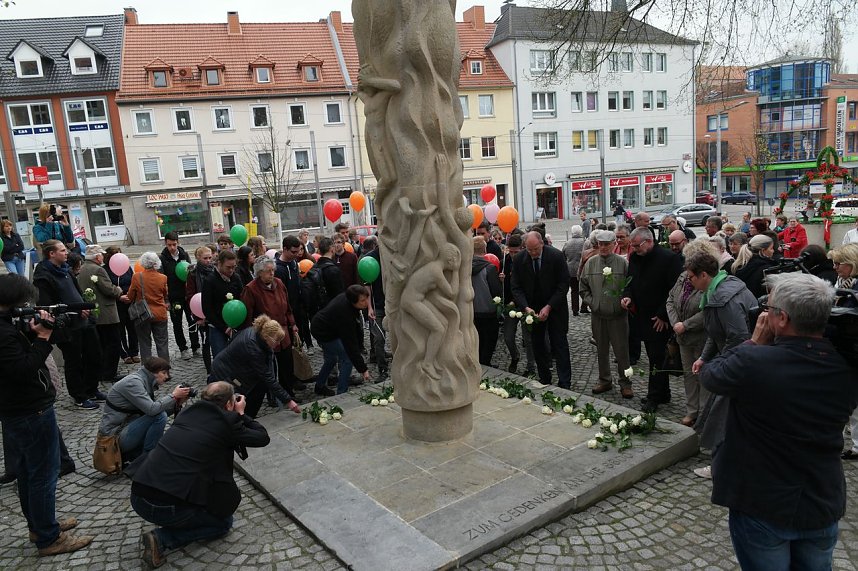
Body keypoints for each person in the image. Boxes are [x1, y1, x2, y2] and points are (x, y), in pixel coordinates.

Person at [699, 273, 858, 569]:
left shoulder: (754, 363)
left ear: (782, 318)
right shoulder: (846, 367)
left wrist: (754, 342)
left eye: (769, 309)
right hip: (821, 498)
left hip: (763, 502)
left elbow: (711, 375)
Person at [0, 274, 94, 556]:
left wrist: (30, 333)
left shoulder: (6, 326)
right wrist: (43, 338)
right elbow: (22, 369)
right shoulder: (3, 333)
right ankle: (48, 538)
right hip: (29, 410)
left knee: (28, 473)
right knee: (43, 473)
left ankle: (40, 525)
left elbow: (15, 360)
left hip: (20, 409)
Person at [130, 381, 271, 568]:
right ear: (230, 403)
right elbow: (262, 437)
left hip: (138, 495)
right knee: (223, 523)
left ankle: (177, 520)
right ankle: (162, 538)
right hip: (165, 506)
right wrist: (241, 414)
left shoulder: (187, 413)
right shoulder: (227, 423)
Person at [688, 251, 757, 480]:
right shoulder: (722, 287)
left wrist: (720, 366)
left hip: (739, 365)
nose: (690, 282)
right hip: (739, 360)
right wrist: (704, 358)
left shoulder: (722, 299)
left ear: (704, 275)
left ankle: (721, 466)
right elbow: (716, 332)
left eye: (691, 277)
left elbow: (738, 337)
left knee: (724, 416)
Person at [32, 240, 103, 409]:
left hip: (84, 321)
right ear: (52, 254)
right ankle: (79, 396)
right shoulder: (43, 276)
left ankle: (91, 389)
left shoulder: (65, 270)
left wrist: (84, 306)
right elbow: (48, 305)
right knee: (74, 362)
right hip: (67, 327)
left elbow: (76, 292)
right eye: (63, 250)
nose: (67, 253)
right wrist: (75, 310)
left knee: (94, 355)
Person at [621, 227, 683, 412]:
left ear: (649, 241)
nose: (634, 249)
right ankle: (663, 393)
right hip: (641, 315)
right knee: (654, 356)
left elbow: (674, 290)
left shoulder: (669, 258)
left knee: (656, 357)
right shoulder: (635, 257)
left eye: (636, 245)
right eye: (633, 246)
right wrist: (627, 296)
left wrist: (663, 315)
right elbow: (630, 281)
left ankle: (654, 397)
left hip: (659, 317)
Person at [511, 231, 572, 388]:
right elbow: (516, 287)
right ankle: (544, 378)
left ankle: (565, 382)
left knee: (559, 343)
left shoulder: (556, 256)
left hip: (555, 306)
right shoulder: (519, 259)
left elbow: (563, 284)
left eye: (536, 249)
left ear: (542, 244)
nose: (533, 253)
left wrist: (549, 306)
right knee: (537, 344)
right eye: (529, 250)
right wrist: (525, 307)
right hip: (533, 308)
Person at [99, 357, 190, 461]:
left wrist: (178, 402)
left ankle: (145, 456)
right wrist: (173, 396)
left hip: (127, 428)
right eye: (164, 373)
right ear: (153, 372)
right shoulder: (133, 383)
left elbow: (155, 410)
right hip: (113, 438)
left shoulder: (143, 381)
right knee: (159, 416)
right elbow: (152, 410)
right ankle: (149, 458)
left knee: (159, 415)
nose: (167, 376)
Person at [666, 240, 716, 427]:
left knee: (702, 374)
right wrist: (675, 323)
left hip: (701, 336)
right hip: (683, 336)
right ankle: (692, 410)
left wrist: (686, 325)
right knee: (689, 374)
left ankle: (705, 413)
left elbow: (708, 310)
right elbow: (670, 299)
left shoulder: (708, 279)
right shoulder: (683, 277)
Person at [209, 315, 301, 418]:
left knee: (259, 388)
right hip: (225, 373)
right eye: (277, 341)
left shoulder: (258, 334)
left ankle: (248, 417)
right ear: (267, 337)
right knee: (232, 405)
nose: (279, 344)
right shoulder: (253, 347)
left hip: (236, 368)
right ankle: (245, 419)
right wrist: (288, 401)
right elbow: (267, 376)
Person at [579, 230, 633, 398]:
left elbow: (630, 286)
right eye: (600, 244)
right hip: (598, 315)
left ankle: (626, 383)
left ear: (613, 244)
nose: (603, 247)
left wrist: (625, 301)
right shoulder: (591, 263)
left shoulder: (622, 263)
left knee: (622, 351)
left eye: (607, 244)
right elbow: (583, 287)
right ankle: (604, 380)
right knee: (601, 350)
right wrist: (593, 303)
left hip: (618, 316)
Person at [241, 256, 302, 400]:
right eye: (268, 271)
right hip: (265, 335)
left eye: (273, 270)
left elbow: (287, 307)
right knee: (270, 367)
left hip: (283, 332)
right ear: (259, 273)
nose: (272, 273)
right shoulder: (251, 289)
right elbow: (248, 315)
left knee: (287, 364)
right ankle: (272, 396)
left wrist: (293, 324)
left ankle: (288, 393)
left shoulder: (279, 283)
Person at [312, 285, 371, 396]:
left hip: (329, 328)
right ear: (353, 301)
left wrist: (360, 344)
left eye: (366, 299)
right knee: (346, 358)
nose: (366, 303)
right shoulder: (345, 314)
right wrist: (363, 369)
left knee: (331, 359)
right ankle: (342, 393)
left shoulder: (349, 300)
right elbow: (350, 344)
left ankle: (319, 386)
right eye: (362, 301)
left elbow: (356, 327)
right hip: (323, 331)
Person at [77, 245, 123, 384]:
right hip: (106, 313)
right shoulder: (98, 269)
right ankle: (109, 373)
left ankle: (102, 371)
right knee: (113, 343)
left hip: (93, 312)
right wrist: (118, 289)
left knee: (101, 345)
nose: (103, 257)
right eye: (101, 255)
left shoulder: (82, 268)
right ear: (97, 257)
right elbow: (108, 289)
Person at [500, 233, 535, 375]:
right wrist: (501, 280)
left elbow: (528, 286)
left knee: (528, 339)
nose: (513, 255)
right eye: (511, 252)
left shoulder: (527, 261)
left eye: (516, 252)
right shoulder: (505, 262)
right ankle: (515, 356)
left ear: (522, 249)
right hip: (510, 305)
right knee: (508, 337)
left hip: (525, 304)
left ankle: (531, 367)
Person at [159, 232, 197, 360]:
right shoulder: (162, 258)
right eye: (169, 245)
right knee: (177, 324)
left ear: (178, 242)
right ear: (165, 243)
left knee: (192, 320)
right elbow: (162, 281)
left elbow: (190, 274)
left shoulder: (184, 255)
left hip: (187, 295)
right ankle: (183, 348)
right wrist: (166, 300)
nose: (172, 247)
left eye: (174, 244)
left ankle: (195, 346)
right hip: (174, 297)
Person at [127, 252, 170, 362]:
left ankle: (146, 369)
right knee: (162, 343)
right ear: (156, 263)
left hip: (143, 314)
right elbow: (165, 294)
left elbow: (130, 296)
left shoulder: (137, 277)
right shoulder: (163, 278)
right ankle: (164, 368)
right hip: (160, 314)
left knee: (144, 343)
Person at [201, 250, 244, 357]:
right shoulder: (210, 280)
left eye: (234, 267)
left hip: (235, 324)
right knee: (220, 357)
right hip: (217, 326)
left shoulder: (236, 277)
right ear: (219, 264)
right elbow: (207, 308)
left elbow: (242, 299)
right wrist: (223, 328)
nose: (231, 270)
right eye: (228, 267)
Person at [105, 247, 139, 365]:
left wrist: (131, 295)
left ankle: (134, 351)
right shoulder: (105, 270)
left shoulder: (127, 268)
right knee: (120, 330)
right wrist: (119, 296)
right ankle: (124, 353)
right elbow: (107, 287)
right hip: (116, 303)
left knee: (132, 328)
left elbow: (133, 282)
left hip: (129, 302)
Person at [472, 236, 502, 367]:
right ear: (485, 250)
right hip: (488, 311)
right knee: (489, 340)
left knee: (477, 339)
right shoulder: (489, 268)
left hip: (472, 311)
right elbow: (496, 291)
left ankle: (477, 362)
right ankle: (485, 364)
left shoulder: (464, 268)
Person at [362, 236, 389, 379]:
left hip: (393, 304)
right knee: (378, 339)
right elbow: (367, 286)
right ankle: (382, 369)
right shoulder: (370, 258)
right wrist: (369, 307)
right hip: (378, 305)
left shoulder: (394, 256)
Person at [185, 246, 214, 372]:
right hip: (201, 312)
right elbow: (191, 296)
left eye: (210, 258)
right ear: (198, 258)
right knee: (206, 342)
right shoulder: (193, 274)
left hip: (215, 312)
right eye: (205, 258)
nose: (208, 261)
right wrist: (197, 317)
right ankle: (209, 370)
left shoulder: (214, 270)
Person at [733, 234, 777, 299]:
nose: (773, 251)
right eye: (771, 248)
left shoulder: (741, 264)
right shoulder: (767, 269)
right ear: (763, 251)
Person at [562, 225, 585, 316]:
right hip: (582, 269)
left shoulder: (567, 243)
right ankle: (584, 307)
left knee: (574, 290)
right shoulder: (584, 242)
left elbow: (563, 255)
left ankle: (575, 309)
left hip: (570, 269)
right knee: (585, 289)